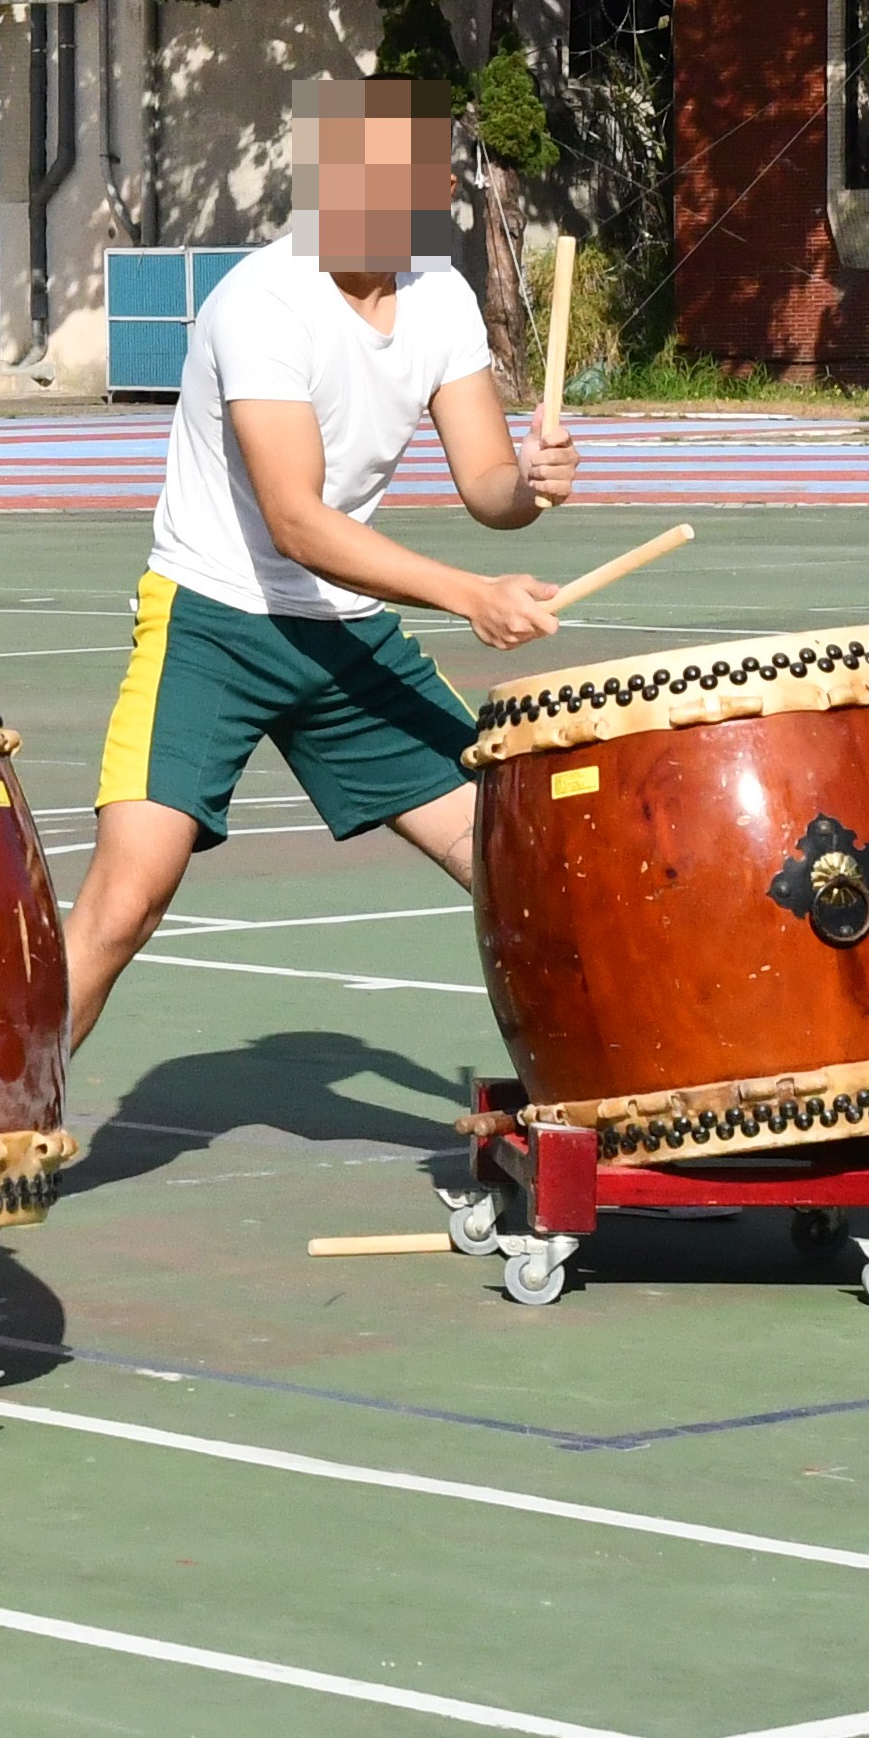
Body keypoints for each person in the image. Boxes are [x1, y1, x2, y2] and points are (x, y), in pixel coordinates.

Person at [55, 73, 576, 1066]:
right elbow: (296, 519)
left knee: (522, 865)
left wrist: (536, 485)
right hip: (214, 622)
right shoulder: (262, 301)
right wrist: (469, 595)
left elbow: (488, 487)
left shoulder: (442, 300)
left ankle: (609, 1100)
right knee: (125, 903)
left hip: (346, 635)